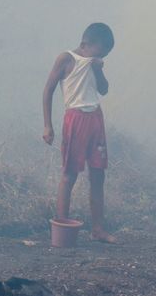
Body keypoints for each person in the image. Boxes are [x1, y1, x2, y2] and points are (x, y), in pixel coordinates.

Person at [42, 22, 116, 243]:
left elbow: (103, 90)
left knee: (98, 174)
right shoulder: (66, 59)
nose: (101, 57)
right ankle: (62, 229)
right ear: (85, 44)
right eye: (99, 52)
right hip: (75, 119)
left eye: (104, 55)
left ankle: (98, 230)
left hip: (96, 118)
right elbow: (48, 90)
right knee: (69, 174)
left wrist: (99, 70)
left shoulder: (95, 64)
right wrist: (48, 125)